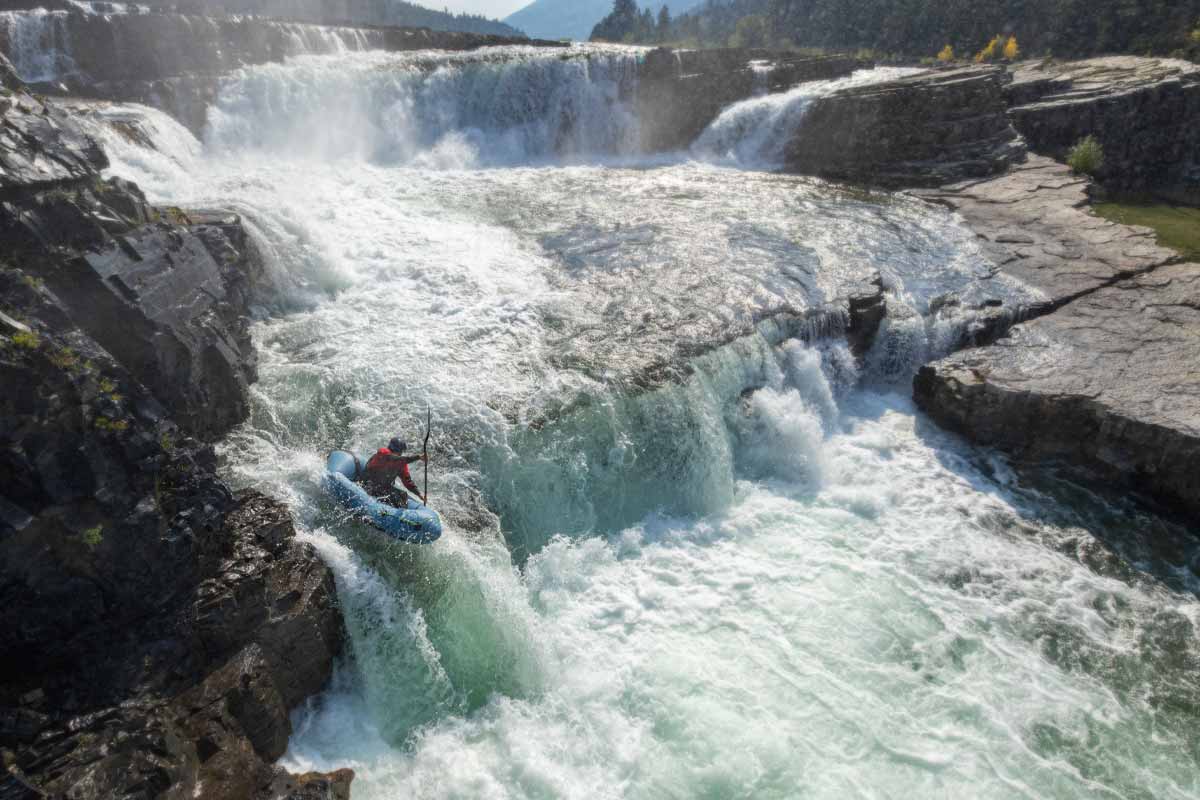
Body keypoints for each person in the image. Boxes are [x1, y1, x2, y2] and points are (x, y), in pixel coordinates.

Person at [361, 437, 426, 507]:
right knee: (374, 489)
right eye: (400, 451)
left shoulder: (401, 464)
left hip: (383, 488)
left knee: (402, 495)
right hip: (369, 483)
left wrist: (419, 494)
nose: (401, 453)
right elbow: (394, 459)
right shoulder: (383, 453)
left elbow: (407, 481)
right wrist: (418, 457)